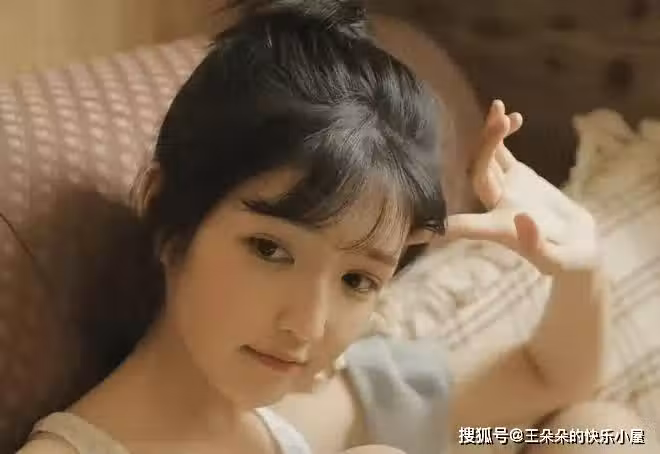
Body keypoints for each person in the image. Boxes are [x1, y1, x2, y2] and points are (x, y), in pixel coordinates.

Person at [16, 1, 657, 453]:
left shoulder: (305, 407)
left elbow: (547, 385)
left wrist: (579, 264)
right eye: (270, 249)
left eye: (357, 280)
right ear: (168, 214)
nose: (308, 325)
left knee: (602, 431)